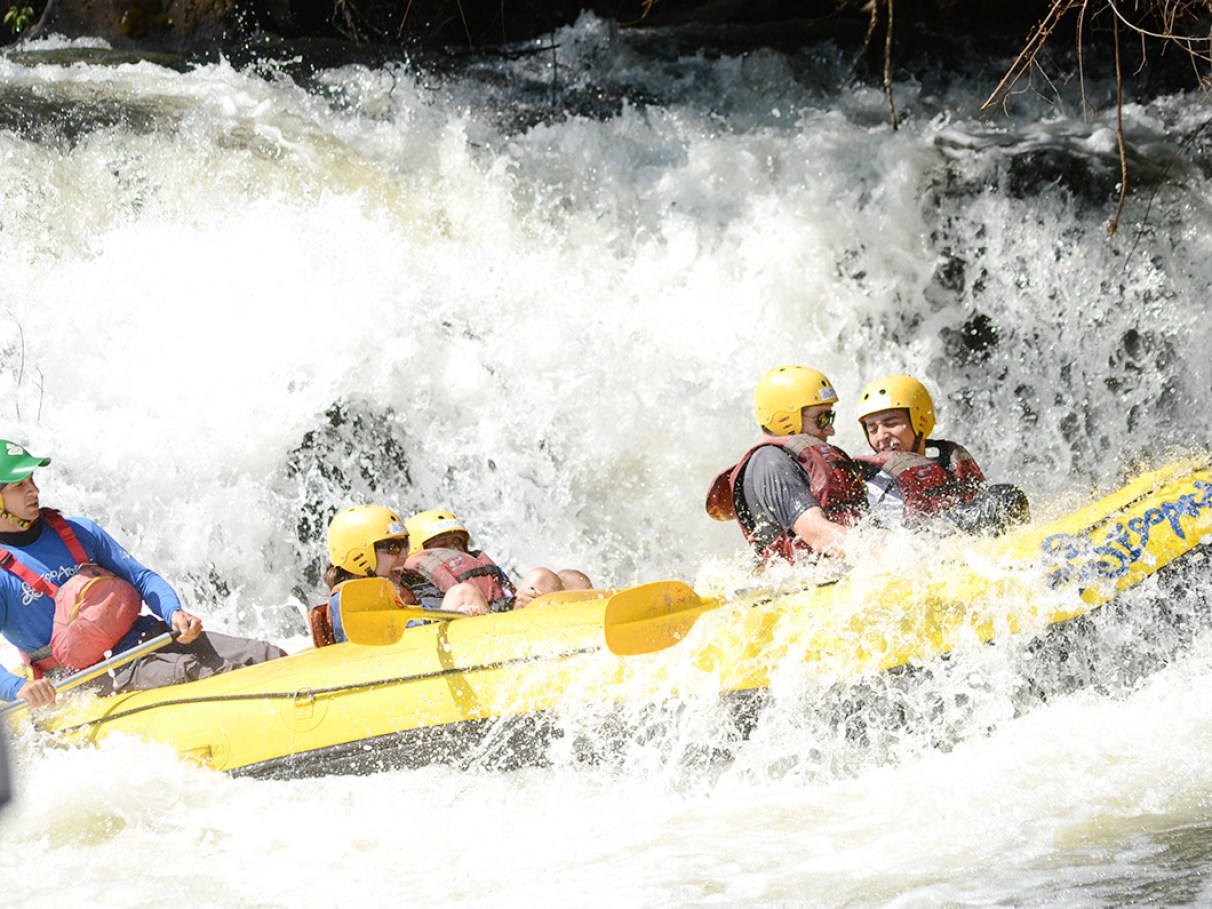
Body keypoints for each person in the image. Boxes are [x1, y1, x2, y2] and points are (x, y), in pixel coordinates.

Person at [0, 441, 284, 709]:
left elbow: (142, 578)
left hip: (148, 637)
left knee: (264, 654)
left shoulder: (80, 531)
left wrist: (173, 612)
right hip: (96, 674)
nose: (34, 490)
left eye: (32, 480)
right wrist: (18, 687)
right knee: (203, 672)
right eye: (19, 486)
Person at [706, 365, 868, 563]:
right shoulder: (769, 461)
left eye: (830, 417)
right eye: (822, 418)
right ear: (785, 419)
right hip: (808, 579)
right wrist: (887, 555)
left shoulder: (797, 461)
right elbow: (818, 534)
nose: (831, 429)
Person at [854, 374, 1029, 533]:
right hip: (915, 545)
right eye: (873, 429)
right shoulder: (870, 483)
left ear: (921, 421)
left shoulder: (948, 463)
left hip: (950, 540)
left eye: (891, 423)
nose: (881, 436)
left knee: (1006, 497)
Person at [315, 504, 490, 647]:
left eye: (405, 544)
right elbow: (386, 637)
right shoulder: (349, 597)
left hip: (419, 656)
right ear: (358, 555)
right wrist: (453, 616)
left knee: (465, 593)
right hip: (389, 665)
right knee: (462, 593)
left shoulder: (408, 585)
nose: (404, 555)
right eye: (392, 547)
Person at [404, 509, 593, 612]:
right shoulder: (420, 584)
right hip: (474, 634)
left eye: (457, 542)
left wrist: (515, 602)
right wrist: (512, 606)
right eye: (443, 546)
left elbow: (504, 595)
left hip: (501, 617)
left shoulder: (478, 567)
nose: (454, 550)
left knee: (570, 579)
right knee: (465, 592)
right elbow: (439, 612)